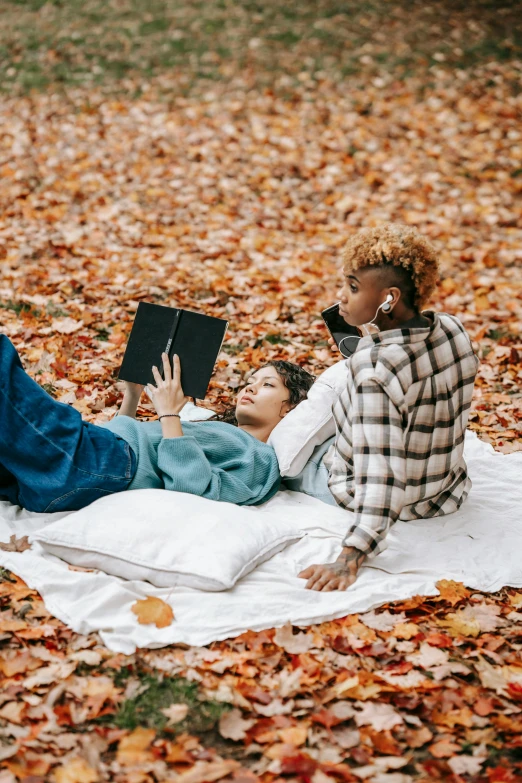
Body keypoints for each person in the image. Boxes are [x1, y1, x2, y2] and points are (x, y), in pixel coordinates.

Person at [296, 224, 480, 592]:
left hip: (393, 497)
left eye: (351, 287)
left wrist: (351, 556)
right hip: (444, 489)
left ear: (389, 299)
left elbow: (383, 474)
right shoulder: (453, 328)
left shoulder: (375, 372)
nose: (341, 298)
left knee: (287, 455)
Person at [0, 335, 314, 513]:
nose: (250, 388)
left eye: (268, 385)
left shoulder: (261, 461)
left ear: (290, 408)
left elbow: (192, 491)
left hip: (95, 464)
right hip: (82, 462)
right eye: (251, 381)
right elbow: (124, 439)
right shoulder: (216, 429)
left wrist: (169, 415)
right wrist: (133, 396)